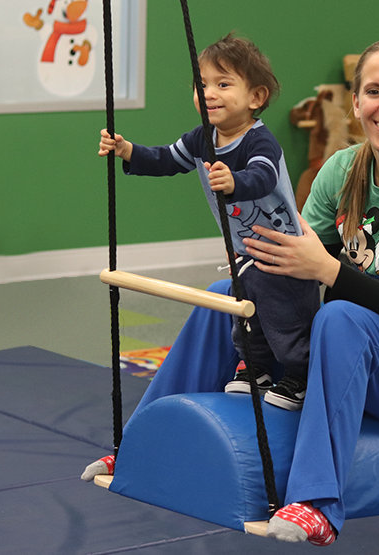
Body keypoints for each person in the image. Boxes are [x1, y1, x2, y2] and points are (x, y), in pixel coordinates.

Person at [83, 36, 379, 547]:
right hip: (362, 345)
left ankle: (317, 504)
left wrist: (330, 270)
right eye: (373, 91)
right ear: (357, 101)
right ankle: (137, 443)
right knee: (229, 292)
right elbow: (290, 260)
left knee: (341, 319)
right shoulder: (344, 170)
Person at [95, 32, 320, 410]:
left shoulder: (258, 142)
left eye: (223, 84)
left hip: (286, 254)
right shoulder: (203, 139)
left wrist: (235, 181)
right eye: (201, 85)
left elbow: (263, 177)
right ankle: (257, 368)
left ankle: (301, 375)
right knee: (246, 314)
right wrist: (127, 150)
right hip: (246, 250)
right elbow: (167, 159)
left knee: (288, 321)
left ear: (256, 98)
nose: (209, 93)